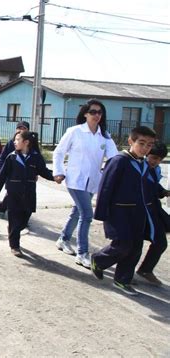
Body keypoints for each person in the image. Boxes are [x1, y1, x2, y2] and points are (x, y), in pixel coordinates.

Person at [91, 126, 157, 295]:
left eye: (149, 145)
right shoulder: (119, 161)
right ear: (130, 141)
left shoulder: (143, 163)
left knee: (135, 247)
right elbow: (106, 187)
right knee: (123, 245)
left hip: (138, 213)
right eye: (141, 143)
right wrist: (101, 213)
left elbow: (148, 187)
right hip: (118, 212)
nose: (145, 148)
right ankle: (98, 259)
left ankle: (122, 280)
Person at [53, 99, 118, 269]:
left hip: (93, 181)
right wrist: (58, 171)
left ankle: (63, 239)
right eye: (93, 112)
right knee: (87, 215)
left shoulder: (104, 135)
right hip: (75, 180)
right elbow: (59, 152)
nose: (97, 115)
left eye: (99, 112)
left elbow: (114, 158)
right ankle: (82, 253)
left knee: (77, 212)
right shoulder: (75, 131)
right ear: (85, 114)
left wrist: (109, 172)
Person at [0, 131, 58, 257]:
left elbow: (43, 171)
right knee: (14, 218)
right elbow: (2, 174)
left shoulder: (35, 157)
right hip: (13, 193)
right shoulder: (11, 157)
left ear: (26, 142)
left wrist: (54, 177)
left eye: (17, 139)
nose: (14, 142)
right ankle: (14, 246)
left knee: (24, 219)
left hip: (28, 193)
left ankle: (13, 231)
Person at [135, 141, 169, 286]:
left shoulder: (156, 169)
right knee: (131, 244)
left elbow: (155, 186)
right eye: (154, 157)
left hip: (154, 208)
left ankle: (145, 269)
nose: (156, 161)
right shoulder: (140, 168)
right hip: (142, 209)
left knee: (160, 240)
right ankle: (101, 261)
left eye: (159, 159)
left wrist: (163, 192)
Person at [0, 121, 32, 218]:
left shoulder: (30, 144)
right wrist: (1, 170)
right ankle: (2, 208)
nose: (21, 130)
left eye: (24, 128)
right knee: (11, 194)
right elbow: (2, 158)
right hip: (12, 174)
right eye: (19, 128)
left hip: (25, 175)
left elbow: (35, 159)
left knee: (24, 195)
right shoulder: (11, 143)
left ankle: (21, 218)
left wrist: (35, 173)